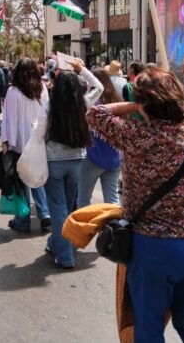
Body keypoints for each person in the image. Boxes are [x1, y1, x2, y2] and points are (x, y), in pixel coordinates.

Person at [87, 67, 184, 342]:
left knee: (149, 328)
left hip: (154, 247)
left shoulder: (135, 134)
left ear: (145, 102)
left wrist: (136, 104)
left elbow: (95, 112)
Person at [40, 58, 103, 268]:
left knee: (58, 208)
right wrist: (82, 69)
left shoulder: (49, 105)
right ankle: (54, 243)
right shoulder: (84, 102)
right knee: (67, 206)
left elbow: (39, 133)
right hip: (77, 159)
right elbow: (100, 87)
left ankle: (65, 255)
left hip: (53, 161)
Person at [0, 57, 51, 233]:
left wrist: (6, 142)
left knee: (21, 181)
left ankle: (23, 219)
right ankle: (45, 214)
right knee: (37, 177)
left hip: (20, 141)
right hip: (38, 139)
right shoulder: (42, 89)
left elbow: (8, 119)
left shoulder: (13, 92)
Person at [78, 68, 122, 207]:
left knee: (84, 198)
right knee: (112, 200)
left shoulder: (92, 103)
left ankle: (85, 228)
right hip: (115, 156)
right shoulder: (117, 100)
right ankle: (114, 226)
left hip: (94, 155)